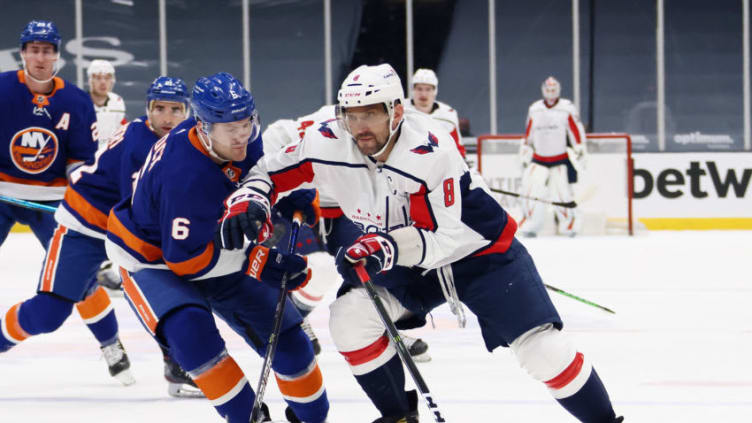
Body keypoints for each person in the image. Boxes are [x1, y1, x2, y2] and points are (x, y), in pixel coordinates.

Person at [216, 64, 623, 423]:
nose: (360, 126)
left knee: (542, 350)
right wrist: (249, 198)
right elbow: (269, 170)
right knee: (350, 319)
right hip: (408, 259)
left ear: (396, 111)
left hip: (478, 254)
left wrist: (383, 248)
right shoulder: (327, 141)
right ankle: (398, 417)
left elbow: (443, 237)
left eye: (371, 113)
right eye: (351, 114)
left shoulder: (430, 148)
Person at [105, 72, 329, 423]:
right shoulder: (183, 173)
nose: (242, 135)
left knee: (289, 338)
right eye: (230, 128)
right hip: (154, 259)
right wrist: (256, 261)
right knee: (192, 333)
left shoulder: (244, 138)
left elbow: (256, 178)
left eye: (246, 123)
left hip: (213, 242)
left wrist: (281, 198)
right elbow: (185, 261)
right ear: (204, 126)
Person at [0, 20, 136, 385]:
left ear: (57, 56)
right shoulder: (0, 89)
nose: (41, 57)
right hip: (2, 194)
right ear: (23, 52)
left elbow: (79, 163)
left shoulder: (75, 101)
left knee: (81, 280)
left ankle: (110, 343)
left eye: (48, 50)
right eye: (34, 49)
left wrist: (79, 199)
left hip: (54, 201)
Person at [262, 106, 431, 362]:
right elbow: (274, 137)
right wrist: (274, 191)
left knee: (375, 261)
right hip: (301, 206)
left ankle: (378, 326)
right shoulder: (325, 124)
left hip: (346, 212)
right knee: (315, 268)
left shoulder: (397, 134)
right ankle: (292, 317)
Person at [517, 76, 587, 237]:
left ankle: (570, 224)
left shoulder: (566, 108)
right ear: (543, 90)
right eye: (548, 90)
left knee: (562, 194)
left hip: (560, 160)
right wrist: (525, 148)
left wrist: (580, 147)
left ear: (558, 90)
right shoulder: (535, 109)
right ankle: (530, 223)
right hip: (539, 159)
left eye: (553, 90)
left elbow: (575, 129)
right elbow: (529, 131)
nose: (550, 93)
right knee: (530, 192)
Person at [405, 68, 465, 158]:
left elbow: (457, 148)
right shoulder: (401, 110)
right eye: (419, 89)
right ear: (413, 90)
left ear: (434, 91)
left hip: (438, 163)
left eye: (428, 89)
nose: (423, 94)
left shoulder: (447, 114)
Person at [88, 59, 127, 146]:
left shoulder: (117, 101)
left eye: (107, 78)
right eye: (98, 78)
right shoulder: (80, 102)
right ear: (91, 80)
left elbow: (121, 127)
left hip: (110, 153)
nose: (103, 82)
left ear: (112, 81)